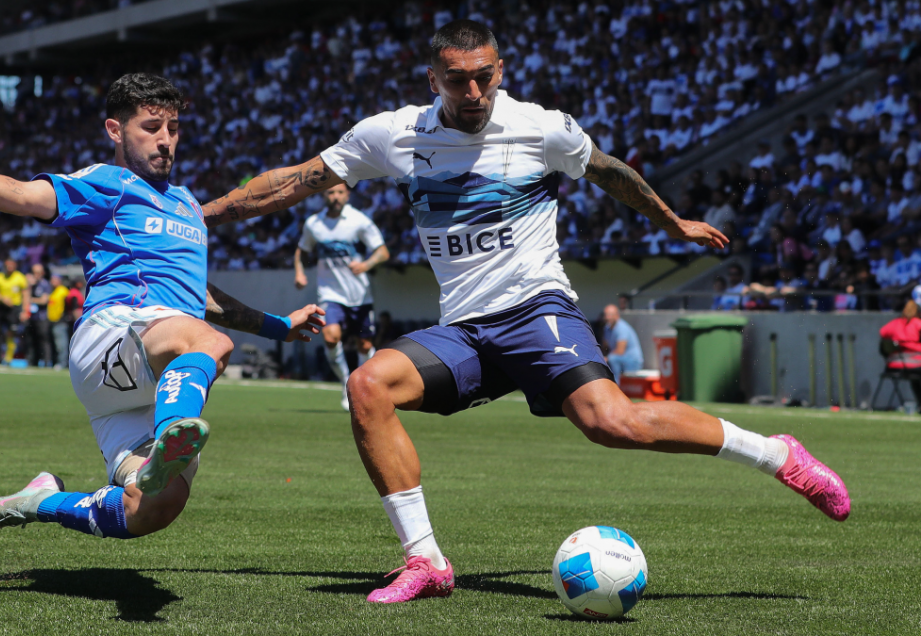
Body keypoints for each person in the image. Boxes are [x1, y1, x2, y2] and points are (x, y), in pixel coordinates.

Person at [202, 20, 850, 603]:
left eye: (484, 77)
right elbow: (293, 181)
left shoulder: (542, 128)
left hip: (537, 311)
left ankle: (777, 454)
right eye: (457, 80)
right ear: (435, 79)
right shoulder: (394, 135)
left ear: (500, 72)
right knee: (367, 384)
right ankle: (426, 561)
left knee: (610, 423)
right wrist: (199, 215)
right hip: (465, 330)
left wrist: (672, 221)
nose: (473, 91)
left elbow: (609, 171)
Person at [0, 73, 323, 543]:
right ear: (115, 131)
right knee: (209, 341)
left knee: (151, 508)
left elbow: (200, 297)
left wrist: (279, 325)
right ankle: (170, 438)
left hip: (150, 376)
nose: (165, 141)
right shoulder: (108, 182)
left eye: (174, 128)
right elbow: (25, 195)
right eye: (151, 127)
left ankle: (39, 501)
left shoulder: (186, 205)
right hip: (113, 337)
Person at [294, 183, 390, 410]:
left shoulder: (359, 221)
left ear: (347, 195)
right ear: (324, 196)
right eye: (330, 192)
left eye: (339, 192)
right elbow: (301, 250)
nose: (335, 197)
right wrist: (299, 272)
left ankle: (362, 384)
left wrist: (366, 264)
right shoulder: (314, 223)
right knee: (330, 336)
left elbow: (382, 251)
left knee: (365, 345)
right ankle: (347, 383)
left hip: (360, 294)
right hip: (330, 292)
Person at [0, 258, 28, 364]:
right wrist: (2, 298)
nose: (10, 267)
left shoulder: (20, 278)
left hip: (14, 308)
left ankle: (8, 359)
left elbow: (26, 295)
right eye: (8, 265)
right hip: (0, 307)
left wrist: (25, 310)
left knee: (11, 333)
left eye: (12, 265)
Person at [603, 304, 643, 379]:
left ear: (617, 315)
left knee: (612, 359)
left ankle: (616, 385)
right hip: (619, 359)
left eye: (610, 315)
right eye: (606, 315)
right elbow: (605, 348)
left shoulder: (621, 328)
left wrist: (606, 358)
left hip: (632, 361)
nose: (608, 317)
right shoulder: (607, 328)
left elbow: (620, 351)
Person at [24, 262, 52, 367]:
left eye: (39, 272)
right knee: (31, 340)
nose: (36, 275)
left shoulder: (45, 284)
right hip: (31, 317)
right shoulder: (30, 285)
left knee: (43, 341)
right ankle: (32, 362)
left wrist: (30, 299)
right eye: (34, 272)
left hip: (42, 317)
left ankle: (46, 362)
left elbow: (44, 300)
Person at [48, 274, 71, 369]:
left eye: (54, 279)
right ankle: (57, 361)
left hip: (60, 321)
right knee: (56, 343)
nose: (52, 281)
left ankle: (63, 363)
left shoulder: (63, 291)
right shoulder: (54, 291)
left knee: (61, 343)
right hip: (53, 322)